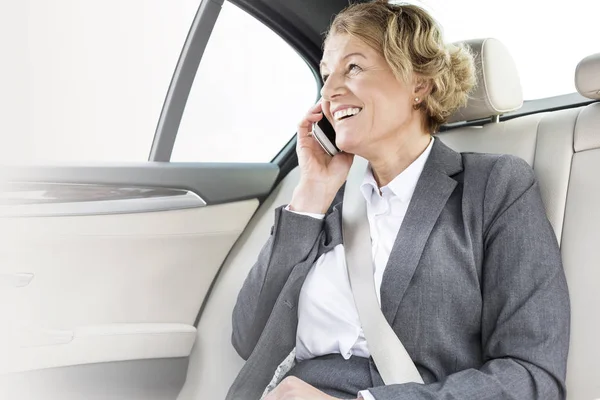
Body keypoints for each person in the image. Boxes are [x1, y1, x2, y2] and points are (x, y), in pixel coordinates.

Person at [227, 1, 570, 399]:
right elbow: (247, 338)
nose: (329, 90)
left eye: (352, 68)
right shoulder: (329, 203)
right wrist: (312, 194)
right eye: (326, 75)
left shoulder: (494, 187)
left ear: (418, 84)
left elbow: (532, 375)